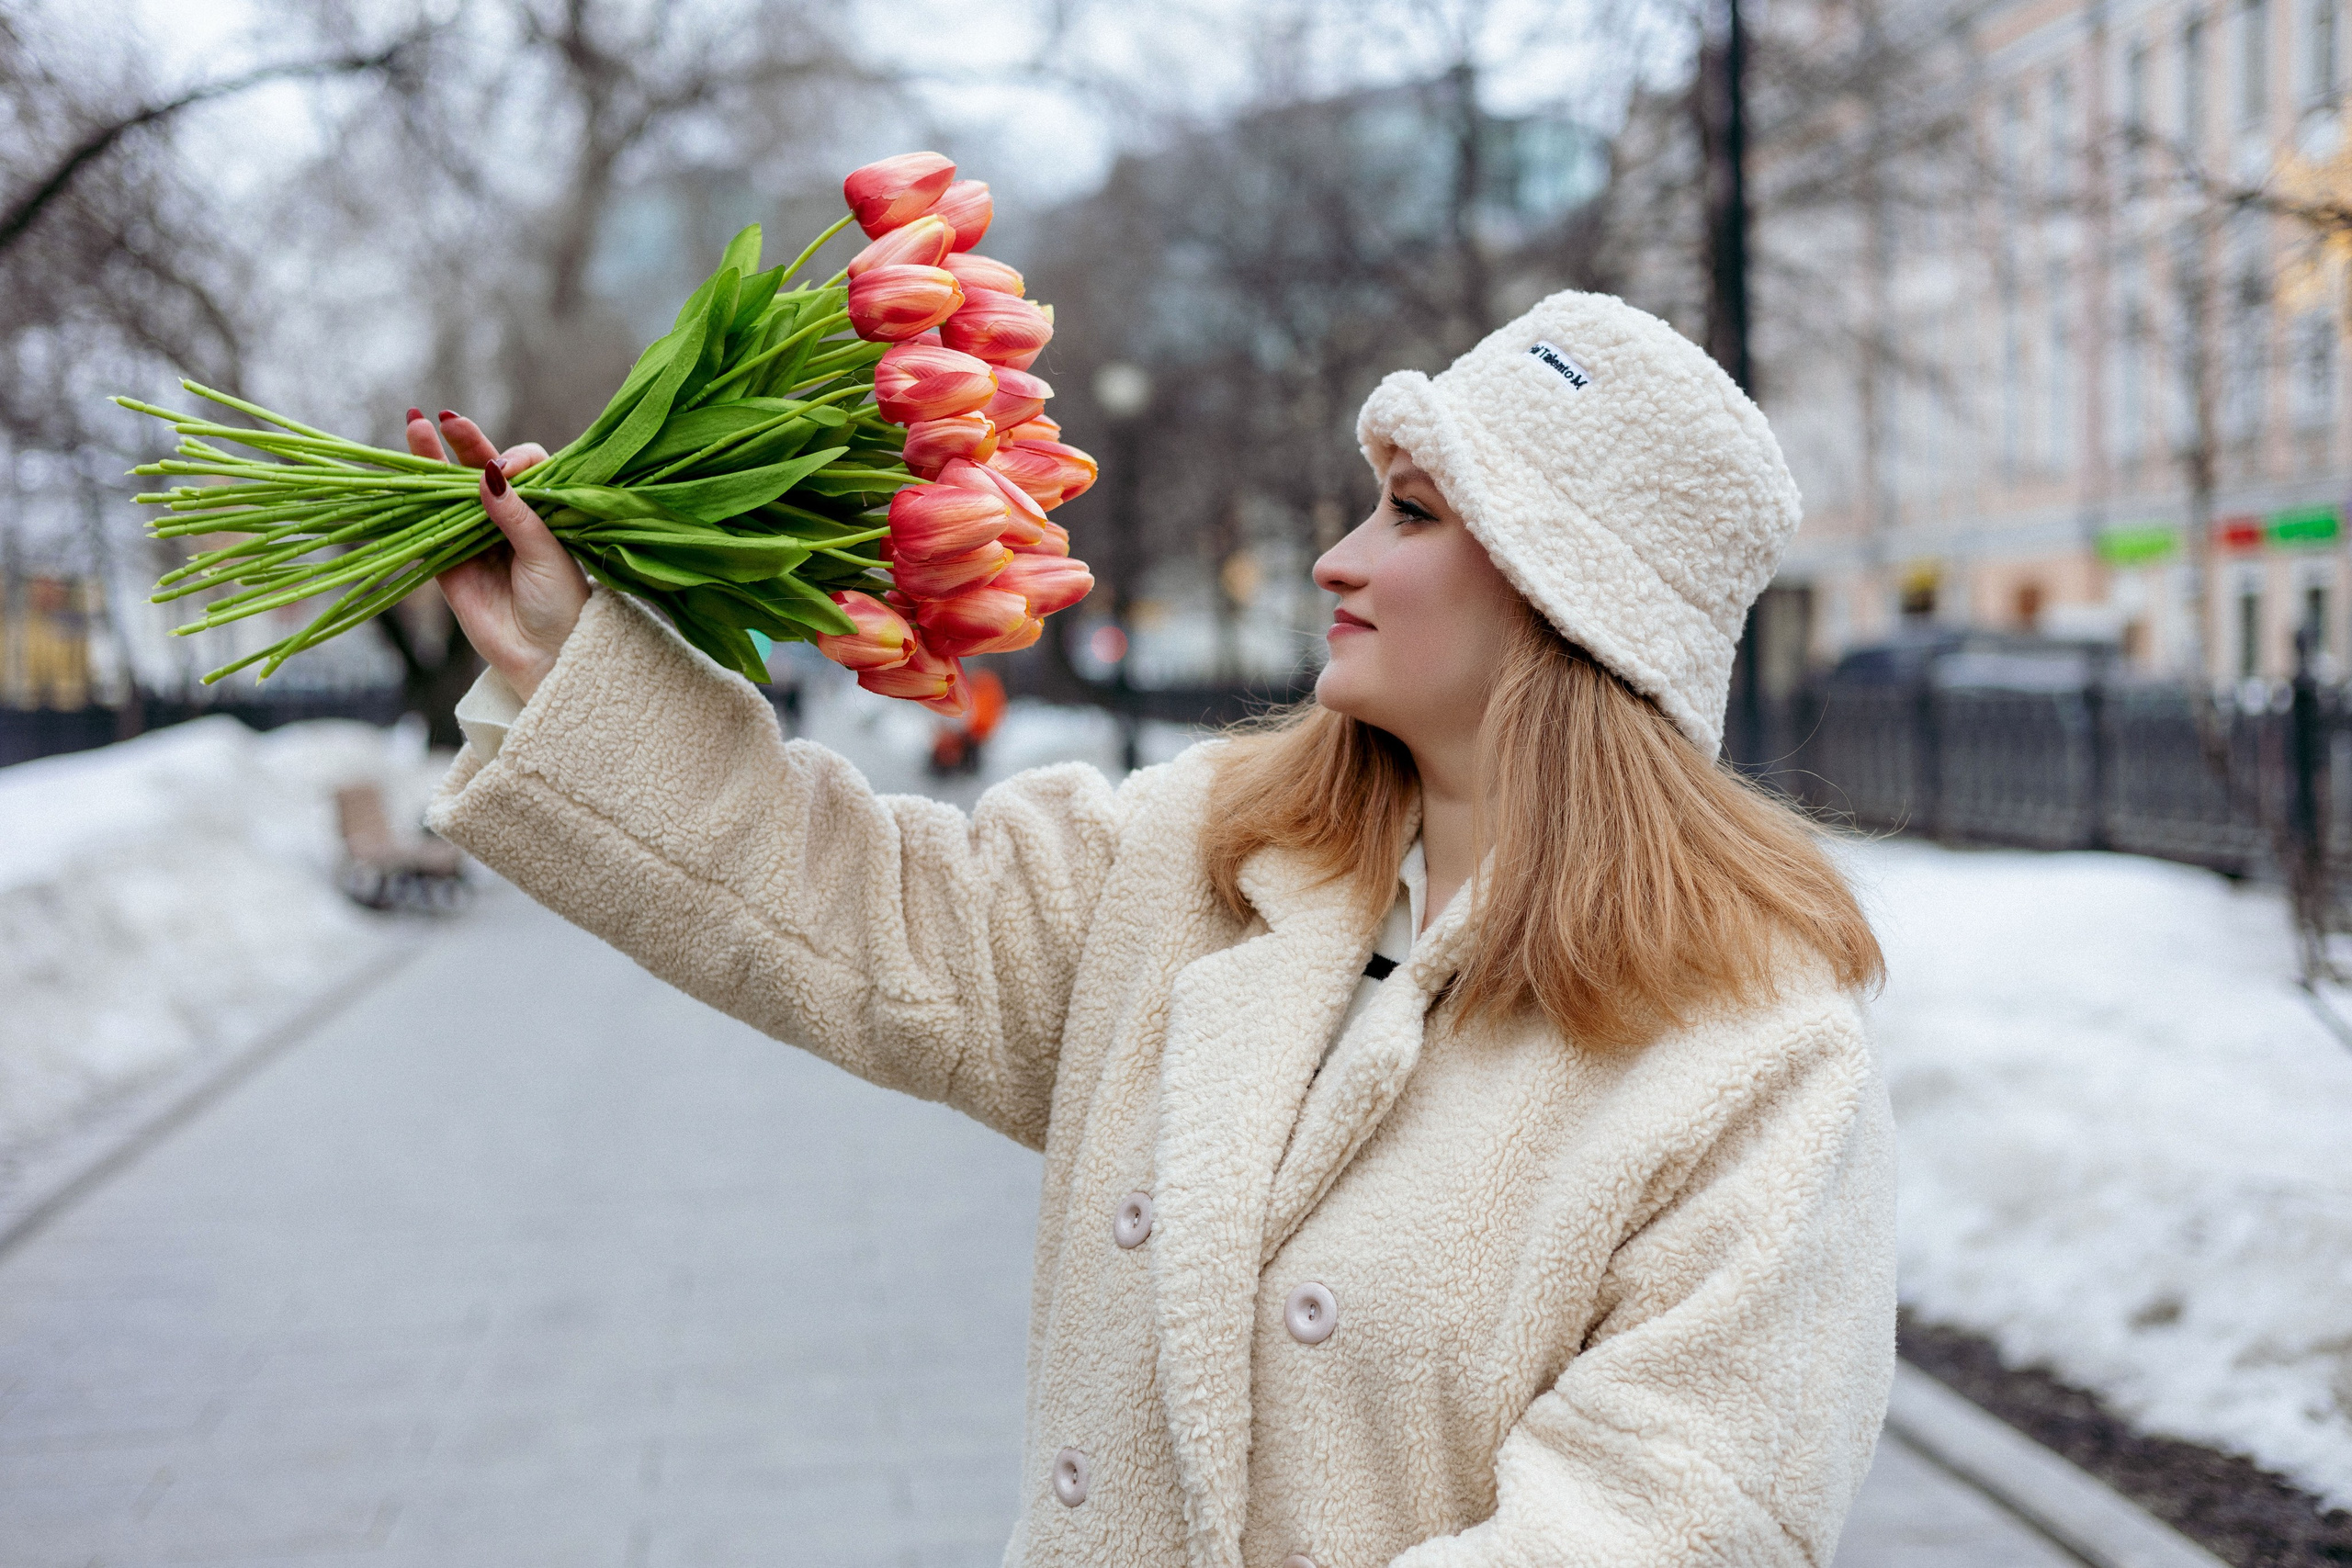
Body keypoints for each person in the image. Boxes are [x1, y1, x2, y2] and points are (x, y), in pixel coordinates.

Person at [417, 290, 1894, 1568]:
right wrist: (567, 657)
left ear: (1566, 597)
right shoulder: (1206, 859)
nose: (1336, 558)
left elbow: (1658, 1521)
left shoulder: (1752, 1059)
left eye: (1412, 512)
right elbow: (856, 910)